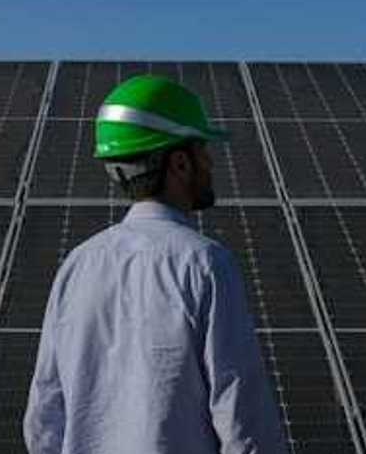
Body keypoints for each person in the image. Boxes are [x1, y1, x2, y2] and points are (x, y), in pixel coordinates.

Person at [23, 74, 289, 453]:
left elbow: (44, 419)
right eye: (202, 150)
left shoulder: (77, 266)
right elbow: (242, 420)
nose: (210, 162)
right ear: (179, 163)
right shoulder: (204, 265)